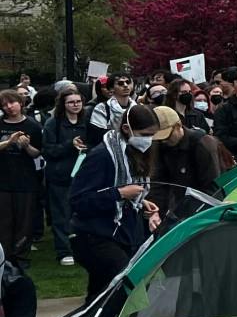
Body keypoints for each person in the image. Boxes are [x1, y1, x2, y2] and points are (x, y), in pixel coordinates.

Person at [68, 102, 161, 303]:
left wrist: (141, 202)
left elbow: (133, 190)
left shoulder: (137, 153)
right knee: (123, 287)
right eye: (144, 134)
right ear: (127, 129)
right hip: (95, 235)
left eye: (152, 135)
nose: (148, 140)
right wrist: (118, 194)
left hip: (123, 233)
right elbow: (78, 200)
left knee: (101, 295)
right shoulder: (102, 156)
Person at [147, 106, 221, 226]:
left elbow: (212, 186)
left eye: (167, 136)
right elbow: (159, 182)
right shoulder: (160, 145)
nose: (163, 141)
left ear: (178, 126)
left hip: (203, 204)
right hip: (178, 202)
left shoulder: (202, 144)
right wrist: (156, 211)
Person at [42, 85, 88, 267]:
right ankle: (64, 250)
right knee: (61, 214)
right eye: (71, 102)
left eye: (78, 101)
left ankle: (81, 249)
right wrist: (70, 144)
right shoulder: (53, 123)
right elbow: (48, 150)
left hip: (83, 176)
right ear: (63, 104)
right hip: (60, 176)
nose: (75, 105)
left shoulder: (87, 121)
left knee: (82, 214)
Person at [0, 90, 42, 261]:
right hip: (2, 180)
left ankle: (20, 257)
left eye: (12, 102)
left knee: (24, 221)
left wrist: (26, 146)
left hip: (25, 180)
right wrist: (9, 141)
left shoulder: (32, 125)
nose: (9, 107)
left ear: (20, 103)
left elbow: (36, 153)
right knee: (4, 221)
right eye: (4, 104)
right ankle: (4, 256)